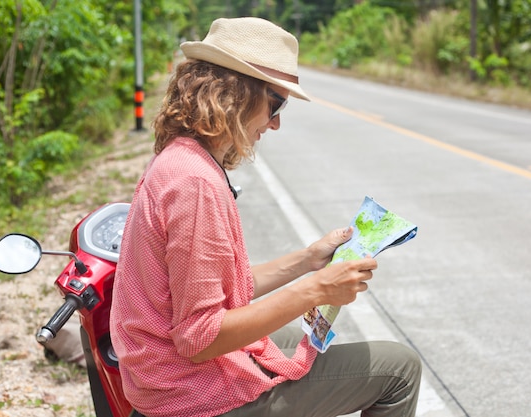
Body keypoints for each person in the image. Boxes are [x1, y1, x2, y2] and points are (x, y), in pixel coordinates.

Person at [110, 17, 421, 417]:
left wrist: (308, 260)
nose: (276, 122)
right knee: (399, 369)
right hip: (190, 394)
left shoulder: (183, 159)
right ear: (235, 93)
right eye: (276, 103)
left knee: (287, 336)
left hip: (165, 376)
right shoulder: (196, 184)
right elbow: (200, 337)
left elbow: (219, 295)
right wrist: (316, 290)